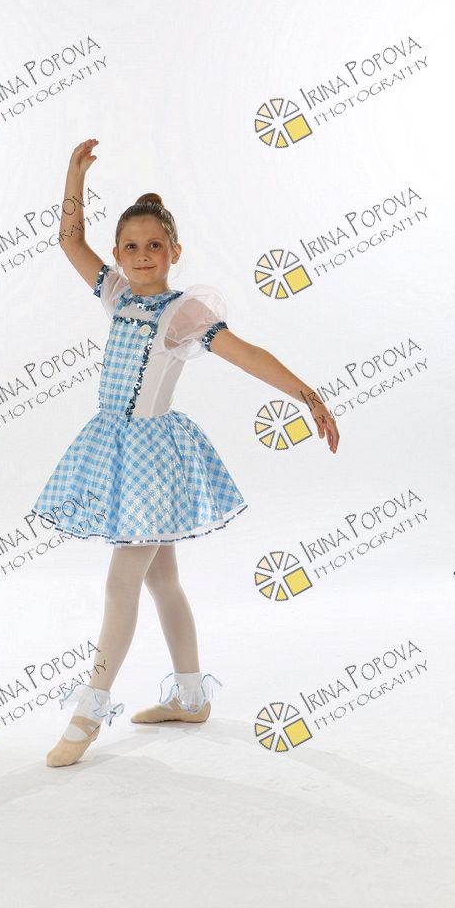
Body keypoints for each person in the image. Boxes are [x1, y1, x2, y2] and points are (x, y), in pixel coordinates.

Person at [32, 139, 340, 767]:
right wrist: (73, 178)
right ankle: (191, 698)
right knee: (162, 579)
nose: (142, 255)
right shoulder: (117, 295)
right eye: (130, 247)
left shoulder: (184, 312)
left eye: (154, 245)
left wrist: (306, 394)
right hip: (115, 449)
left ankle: (88, 714)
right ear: (118, 254)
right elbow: (69, 240)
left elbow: (245, 354)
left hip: (151, 460)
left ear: (175, 252)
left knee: (122, 582)